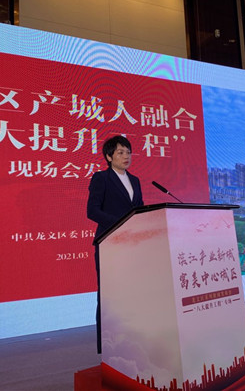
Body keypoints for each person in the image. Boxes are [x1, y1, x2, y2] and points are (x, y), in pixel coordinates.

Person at [86, 135, 144, 353]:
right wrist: (121, 224)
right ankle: (107, 346)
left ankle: (132, 340)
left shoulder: (135, 180)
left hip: (133, 245)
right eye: (120, 152)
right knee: (109, 295)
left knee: (132, 291)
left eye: (128, 152)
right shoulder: (101, 178)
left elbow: (139, 209)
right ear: (109, 157)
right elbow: (92, 211)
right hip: (110, 243)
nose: (126, 156)